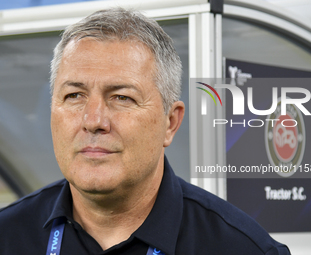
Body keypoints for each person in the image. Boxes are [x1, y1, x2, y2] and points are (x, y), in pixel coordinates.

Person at [0, 8, 290, 255]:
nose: (93, 120)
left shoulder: (241, 249)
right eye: (74, 95)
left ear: (170, 122)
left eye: (122, 97)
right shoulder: (8, 237)